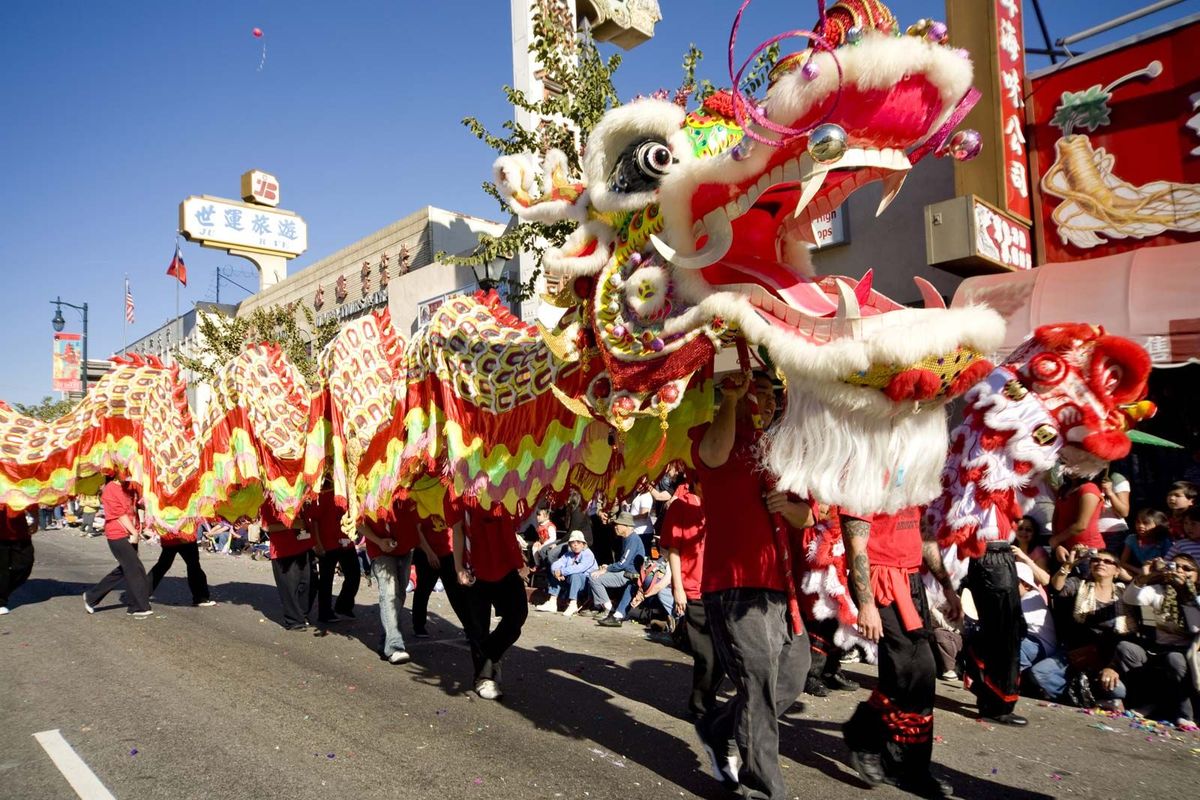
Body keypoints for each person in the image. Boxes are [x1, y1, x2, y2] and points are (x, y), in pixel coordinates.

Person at [693, 370, 813, 800]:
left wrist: (791, 506)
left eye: (766, 390)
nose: (760, 397)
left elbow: (809, 517)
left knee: (792, 678)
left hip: (783, 588)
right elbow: (712, 454)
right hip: (735, 587)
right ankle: (763, 788)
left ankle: (719, 726)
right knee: (759, 682)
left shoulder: (781, 450)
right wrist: (731, 401)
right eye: (752, 388)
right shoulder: (715, 433)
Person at [842, 507, 959, 798]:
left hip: (911, 580)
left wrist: (947, 586)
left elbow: (925, 533)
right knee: (914, 670)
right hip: (880, 579)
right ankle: (904, 767)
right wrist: (866, 604)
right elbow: (856, 544)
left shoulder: (915, 470)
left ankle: (868, 735)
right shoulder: (868, 471)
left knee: (916, 674)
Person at [661, 472, 725, 719]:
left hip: (721, 587)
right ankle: (701, 706)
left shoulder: (720, 504)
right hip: (694, 587)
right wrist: (678, 588)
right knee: (706, 653)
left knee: (723, 653)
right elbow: (673, 549)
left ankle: (705, 699)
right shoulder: (681, 505)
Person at [453, 506, 529, 701]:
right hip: (475, 569)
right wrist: (459, 567)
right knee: (478, 627)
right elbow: (458, 529)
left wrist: (519, 562)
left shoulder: (507, 481)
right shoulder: (459, 489)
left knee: (517, 616)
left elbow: (511, 526)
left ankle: (488, 655)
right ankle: (484, 677)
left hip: (507, 566)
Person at [1117, 555, 1200, 728]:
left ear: (1197, 575)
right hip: (1157, 648)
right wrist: (1146, 576)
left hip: (1188, 653)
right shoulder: (1158, 590)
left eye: (1187, 569)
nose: (1180, 571)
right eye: (1175, 566)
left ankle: (1185, 714)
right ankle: (1148, 704)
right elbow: (1132, 599)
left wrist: (1186, 593)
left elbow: (1195, 627)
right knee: (1126, 649)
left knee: (1175, 659)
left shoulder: (1196, 598)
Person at [1049, 547, 1136, 709]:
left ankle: (1092, 696)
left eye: (1107, 561)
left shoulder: (1126, 594)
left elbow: (1143, 593)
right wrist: (1068, 565)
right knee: (1040, 674)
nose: (1100, 563)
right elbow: (1057, 588)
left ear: (1117, 571)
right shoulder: (1079, 584)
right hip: (1077, 652)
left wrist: (1112, 667)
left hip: (1109, 659)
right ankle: (1083, 699)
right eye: (1096, 560)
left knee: (1118, 691)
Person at [84, 477, 153, 617]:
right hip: (117, 534)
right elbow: (119, 514)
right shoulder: (110, 489)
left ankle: (91, 597)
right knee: (135, 568)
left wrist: (141, 526)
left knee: (125, 569)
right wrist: (133, 532)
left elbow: (138, 504)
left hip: (132, 532)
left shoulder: (131, 485)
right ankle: (138, 607)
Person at [362, 501, 420, 664]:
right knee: (389, 594)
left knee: (399, 595)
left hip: (405, 549)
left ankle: (386, 640)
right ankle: (395, 646)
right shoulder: (363, 483)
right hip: (380, 551)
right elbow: (356, 522)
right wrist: (379, 541)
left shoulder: (408, 480)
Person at [305, 485, 361, 624]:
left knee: (354, 574)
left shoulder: (350, 494)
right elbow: (315, 520)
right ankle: (324, 613)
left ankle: (343, 606)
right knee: (326, 580)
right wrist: (317, 543)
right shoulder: (324, 493)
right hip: (328, 543)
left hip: (346, 541)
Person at [263, 499, 317, 631]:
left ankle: (303, 613)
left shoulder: (302, 499)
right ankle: (294, 620)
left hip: (304, 547)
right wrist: (292, 524)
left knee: (310, 583)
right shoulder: (270, 502)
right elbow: (266, 527)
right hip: (283, 551)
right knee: (289, 588)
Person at [410, 512, 464, 639]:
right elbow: (416, 531)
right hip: (426, 553)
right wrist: (429, 553)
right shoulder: (421, 499)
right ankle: (418, 626)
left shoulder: (449, 500)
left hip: (449, 553)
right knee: (423, 590)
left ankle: (469, 627)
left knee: (456, 593)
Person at [588, 511, 645, 626]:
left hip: (629, 574)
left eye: (618, 524)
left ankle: (608, 608)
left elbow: (623, 563)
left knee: (594, 577)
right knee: (595, 574)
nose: (616, 527)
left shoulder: (633, 539)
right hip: (626, 572)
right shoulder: (626, 538)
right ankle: (615, 612)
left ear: (627, 526)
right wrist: (608, 567)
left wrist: (607, 569)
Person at [148, 522, 214, 607]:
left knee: (163, 565)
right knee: (193, 566)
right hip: (184, 536)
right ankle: (201, 597)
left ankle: (141, 594)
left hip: (170, 536)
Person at [535, 530, 595, 617]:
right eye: (572, 542)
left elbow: (580, 568)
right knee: (556, 572)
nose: (575, 545)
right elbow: (556, 564)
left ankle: (573, 604)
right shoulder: (568, 554)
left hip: (585, 584)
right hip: (569, 581)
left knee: (576, 575)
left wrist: (562, 571)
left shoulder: (588, 554)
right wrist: (556, 572)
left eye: (578, 542)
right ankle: (552, 601)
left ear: (583, 544)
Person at [1050, 475, 1105, 564]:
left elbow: (1081, 525)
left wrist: (1056, 540)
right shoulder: (1064, 489)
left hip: (1086, 550)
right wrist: (1058, 545)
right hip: (1063, 549)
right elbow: (1056, 518)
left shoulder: (1089, 488)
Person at [0, 506, 37, 615]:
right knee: (2, 571)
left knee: (25, 564)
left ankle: (2, 591)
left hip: (19, 532)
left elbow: (30, 498)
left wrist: (35, 519)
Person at [1119, 509, 1171, 576]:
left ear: (1158, 525)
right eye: (1138, 522)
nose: (1140, 526)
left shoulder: (1164, 541)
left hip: (1158, 573)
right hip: (1138, 572)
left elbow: (1167, 563)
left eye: (1145, 523)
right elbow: (1123, 562)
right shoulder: (1132, 538)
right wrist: (1139, 571)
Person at [1097, 469, 1131, 552]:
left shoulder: (1116, 478)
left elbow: (1124, 512)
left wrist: (1110, 492)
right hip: (1089, 532)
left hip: (1113, 534)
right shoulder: (1083, 477)